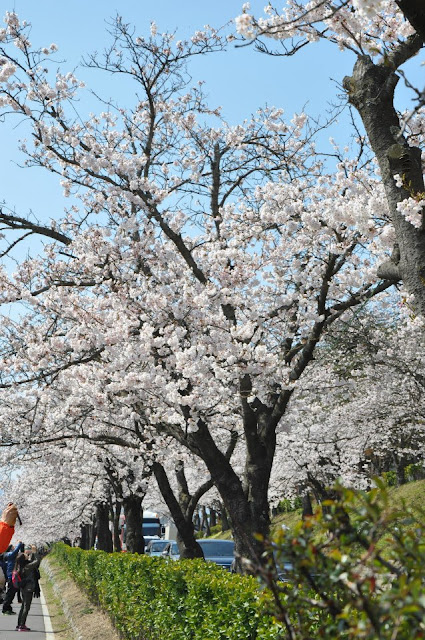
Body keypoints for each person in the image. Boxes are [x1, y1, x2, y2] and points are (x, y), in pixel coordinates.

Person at [14, 550, 42, 632]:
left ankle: (19, 624)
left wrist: (32, 553)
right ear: (24, 558)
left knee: (23, 606)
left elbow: (33, 561)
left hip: (24, 588)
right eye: (25, 555)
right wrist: (34, 551)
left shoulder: (22, 566)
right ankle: (22, 625)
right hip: (28, 589)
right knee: (26, 607)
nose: (26, 555)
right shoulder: (27, 566)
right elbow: (37, 561)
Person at [2, 541, 24, 615]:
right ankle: (5, 609)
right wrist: (19, 544)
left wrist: (22, 546)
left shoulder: (11, 555)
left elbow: (21, 554)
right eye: (12, 547)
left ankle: (8, 608)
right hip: (11, 576)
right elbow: (15, 552)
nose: (14, 547)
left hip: (13, 576)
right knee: (10, 593)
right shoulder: (9, 554)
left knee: (12, 593)